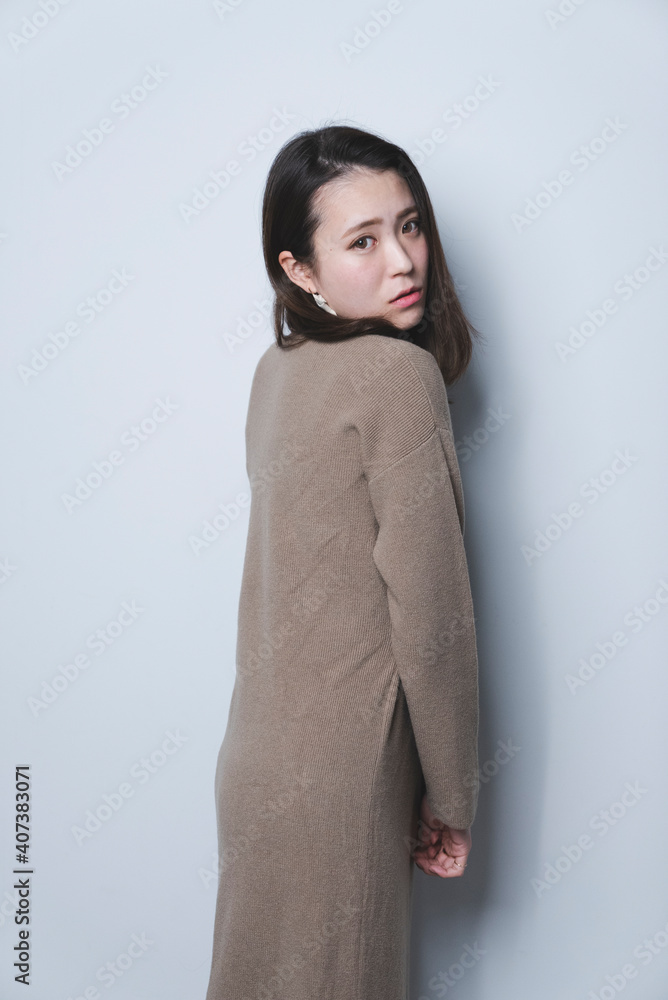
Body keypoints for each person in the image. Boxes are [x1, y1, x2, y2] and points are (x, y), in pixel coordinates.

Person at [204, 123, 482, 1000]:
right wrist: (453, 795)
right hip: (342, 779)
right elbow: (433, 618)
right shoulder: (397, 378)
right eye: (362, 241)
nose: (403, 260)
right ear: (300, 270)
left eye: (410, 225)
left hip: (255, 760)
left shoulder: (275, 371)